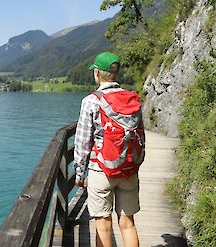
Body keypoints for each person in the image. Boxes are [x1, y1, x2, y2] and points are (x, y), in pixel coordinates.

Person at [74, 51, 143, 247]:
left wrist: (80, 175)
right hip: (128, 168)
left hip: (101, 169)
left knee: (103, 225)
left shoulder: (91, 101)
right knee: (128, 223)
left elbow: (82, 142)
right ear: (116, 73)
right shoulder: (132, 100)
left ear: (97, 73)